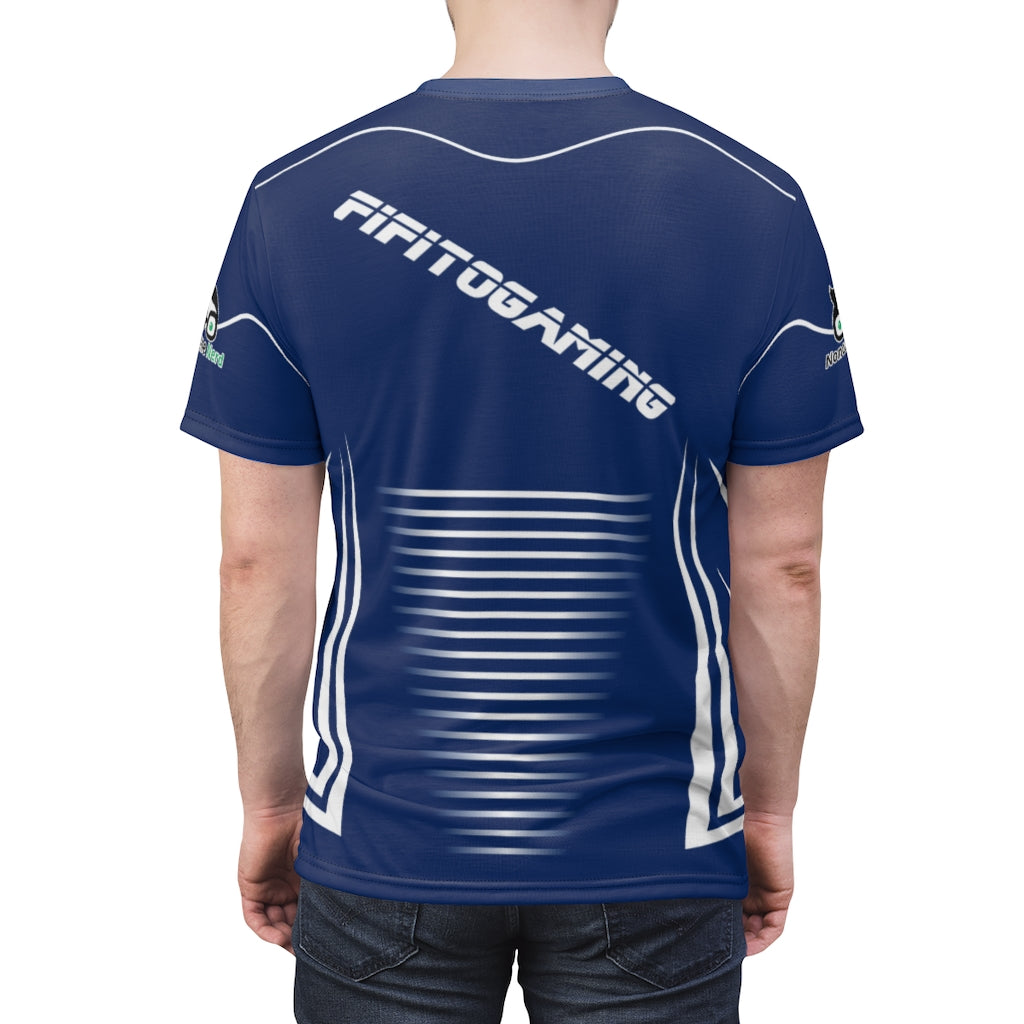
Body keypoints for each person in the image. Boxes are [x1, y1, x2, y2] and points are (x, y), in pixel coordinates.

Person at [180, 1, 863, 1020]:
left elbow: (257, 562)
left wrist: (273, 801)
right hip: (656, 844)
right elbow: (783, 565)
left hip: (384, 836)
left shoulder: (296, 198)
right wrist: (764, 811)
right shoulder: (754, 201)